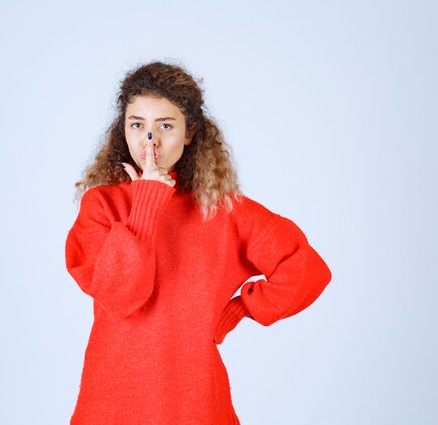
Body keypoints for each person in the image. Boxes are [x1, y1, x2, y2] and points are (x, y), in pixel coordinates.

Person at [64, 61, 332, 425]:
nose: (150, 141)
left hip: (193, 402)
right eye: (137, 125)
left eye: (166, 126)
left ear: (190, 133)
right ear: (122, 130)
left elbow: (306, 270)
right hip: (112, 401)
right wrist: (146, 200)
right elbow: (120, 297)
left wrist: (237, 311)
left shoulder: (223, 210)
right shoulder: (102, 206)